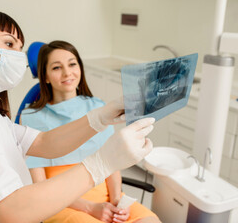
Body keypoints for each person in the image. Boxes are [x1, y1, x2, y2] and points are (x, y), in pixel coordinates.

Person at [0, 10, 155, 223]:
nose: (18, 57)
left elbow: (43, 143)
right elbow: (12, 211)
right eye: (9, 44)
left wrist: (100, 117)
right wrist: (101, 163)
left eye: (20, 49)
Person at [21, 41, 161, 223]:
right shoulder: (32, 118)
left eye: (72, 64)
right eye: (56, 67)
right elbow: (40, 187)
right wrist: (90, 208)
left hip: (105, 195)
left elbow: (111, 162)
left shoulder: (99, 109)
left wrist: (117, 200)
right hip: (62, 203)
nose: (67, 73)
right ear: (45, 76)